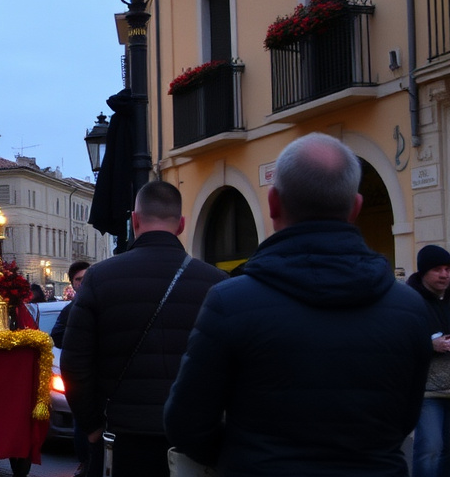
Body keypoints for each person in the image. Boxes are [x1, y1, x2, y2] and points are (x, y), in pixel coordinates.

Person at [164, 133, 432, 476]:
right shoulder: (408, 308)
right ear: (356, 207)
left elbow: (186, 423)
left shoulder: (230, 302)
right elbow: (405, 418)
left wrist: (243, 456)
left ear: (273, 203)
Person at [61, 181, 228, 477]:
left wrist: (92, 427)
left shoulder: (100, 278)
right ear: (181, 224)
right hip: (192, 440)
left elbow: (75, 363)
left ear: (134, 221)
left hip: (120, 437)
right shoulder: (215, 282)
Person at [409, 245, 450, 477]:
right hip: (427, 390)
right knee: (430, 448)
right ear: (424, 272)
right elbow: (398, 341)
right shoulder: (410, 301)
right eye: (437, 269)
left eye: (448, 269)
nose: (444, 274)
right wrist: (430, 345)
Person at [50, 260, 91, 477]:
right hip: (80, 378)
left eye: (86, 278)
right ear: (72, 284)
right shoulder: (69, 311)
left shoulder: (103, 303)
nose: (83, 283)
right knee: (82, 424)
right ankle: (84, 463)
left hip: (102, 378)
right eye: (78, 280)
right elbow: (57, 336)